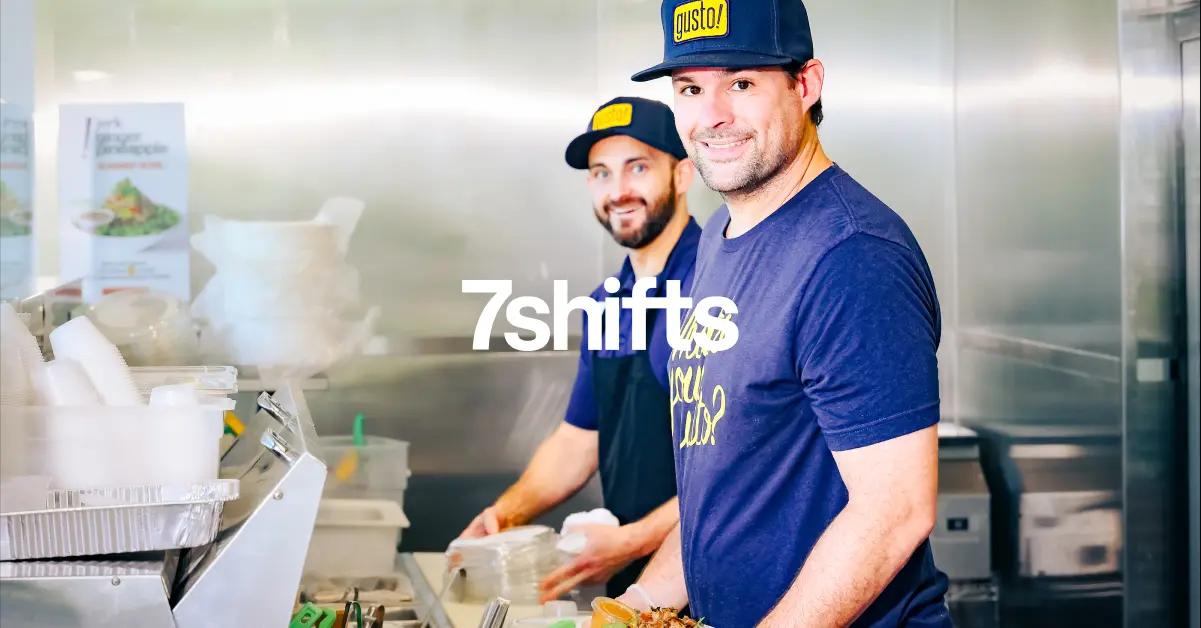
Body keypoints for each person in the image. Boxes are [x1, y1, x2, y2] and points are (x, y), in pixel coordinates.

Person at [615, 1, 951, 625]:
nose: (711, 116)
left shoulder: (851, 256)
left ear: (807, 84)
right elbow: (726, 488)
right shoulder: (719, 238)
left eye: (741, 83)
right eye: (691, 89)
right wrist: (635, 607)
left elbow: (895, 508)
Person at [458, 96, 703, 603]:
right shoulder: (607, 304)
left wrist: (634, 539)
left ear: (682, 175)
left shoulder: (718, 288)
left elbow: (749, 463)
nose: (619, 192)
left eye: (638, 167)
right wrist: (504, 515)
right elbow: (578, 442)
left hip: (710, 580)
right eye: (601, 173)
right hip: (634, 586)